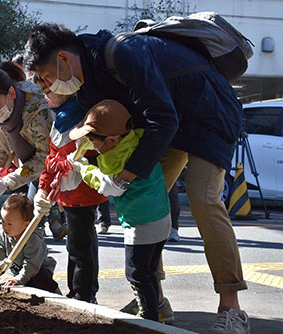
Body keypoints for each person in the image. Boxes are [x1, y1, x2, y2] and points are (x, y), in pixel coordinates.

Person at [23, 24, 249, 333]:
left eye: (46, 78)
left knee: (202, 198)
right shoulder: (87, 88)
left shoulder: (126, 52)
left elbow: (162, 118)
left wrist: (125, 175)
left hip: (207, 114)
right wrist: (59, 179)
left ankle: (232, 309)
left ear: (63, 58)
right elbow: (94, 139)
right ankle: (153, 300)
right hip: (169, 125)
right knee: (144, 203)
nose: (47, 87)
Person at [68, 99, 171, 321]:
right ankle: (157, 314)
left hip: (141, 222)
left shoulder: (117, 158)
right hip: (162, 217)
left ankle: (149, 319)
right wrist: (85, 145)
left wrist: (82, 167)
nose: (93, 148)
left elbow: (108, 186)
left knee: (135, 273)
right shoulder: (137, 141)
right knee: (149, 271)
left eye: (95, 143)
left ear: (113, 141)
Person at [0, 64, 64, 240]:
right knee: (31, 226)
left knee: (40, 220)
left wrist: (5, 183)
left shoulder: (38, 106)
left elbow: (44, 158)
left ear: (11, 93)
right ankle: (35, 263)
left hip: (61, 165)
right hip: (30, 167)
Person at [32, 77, 106, 303]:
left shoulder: (73, 117)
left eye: (49, 89)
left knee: (79, 247)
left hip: (79, 193)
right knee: (81, 243)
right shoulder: (65, 115)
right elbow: (53, 159)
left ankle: (83, 295)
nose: (47, 95)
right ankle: (83, 291)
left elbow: (60, 158)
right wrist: (43, 188)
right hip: (73, 194)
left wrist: (45, 187)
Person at [0, 193, 60, 294]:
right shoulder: (4, 235)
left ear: (26, 225)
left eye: (9, 224)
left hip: (38, 269)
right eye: (3, 222)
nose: (5, 227)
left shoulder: (32, 239)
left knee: (41, 281)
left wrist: (19, 279)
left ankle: (58, 295)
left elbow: (31, 264)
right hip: (19, 271)